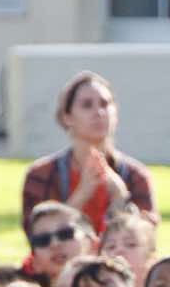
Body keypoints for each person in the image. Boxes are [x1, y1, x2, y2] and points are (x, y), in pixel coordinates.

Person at [20, 72, 155, 236]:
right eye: (87, 105)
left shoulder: (136, 176)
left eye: (105, 104)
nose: (99, 112)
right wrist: (82, 194)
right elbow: (37, 238)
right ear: (67, 117)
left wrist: (120, 198)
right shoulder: (41, 175)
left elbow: (145, 241)